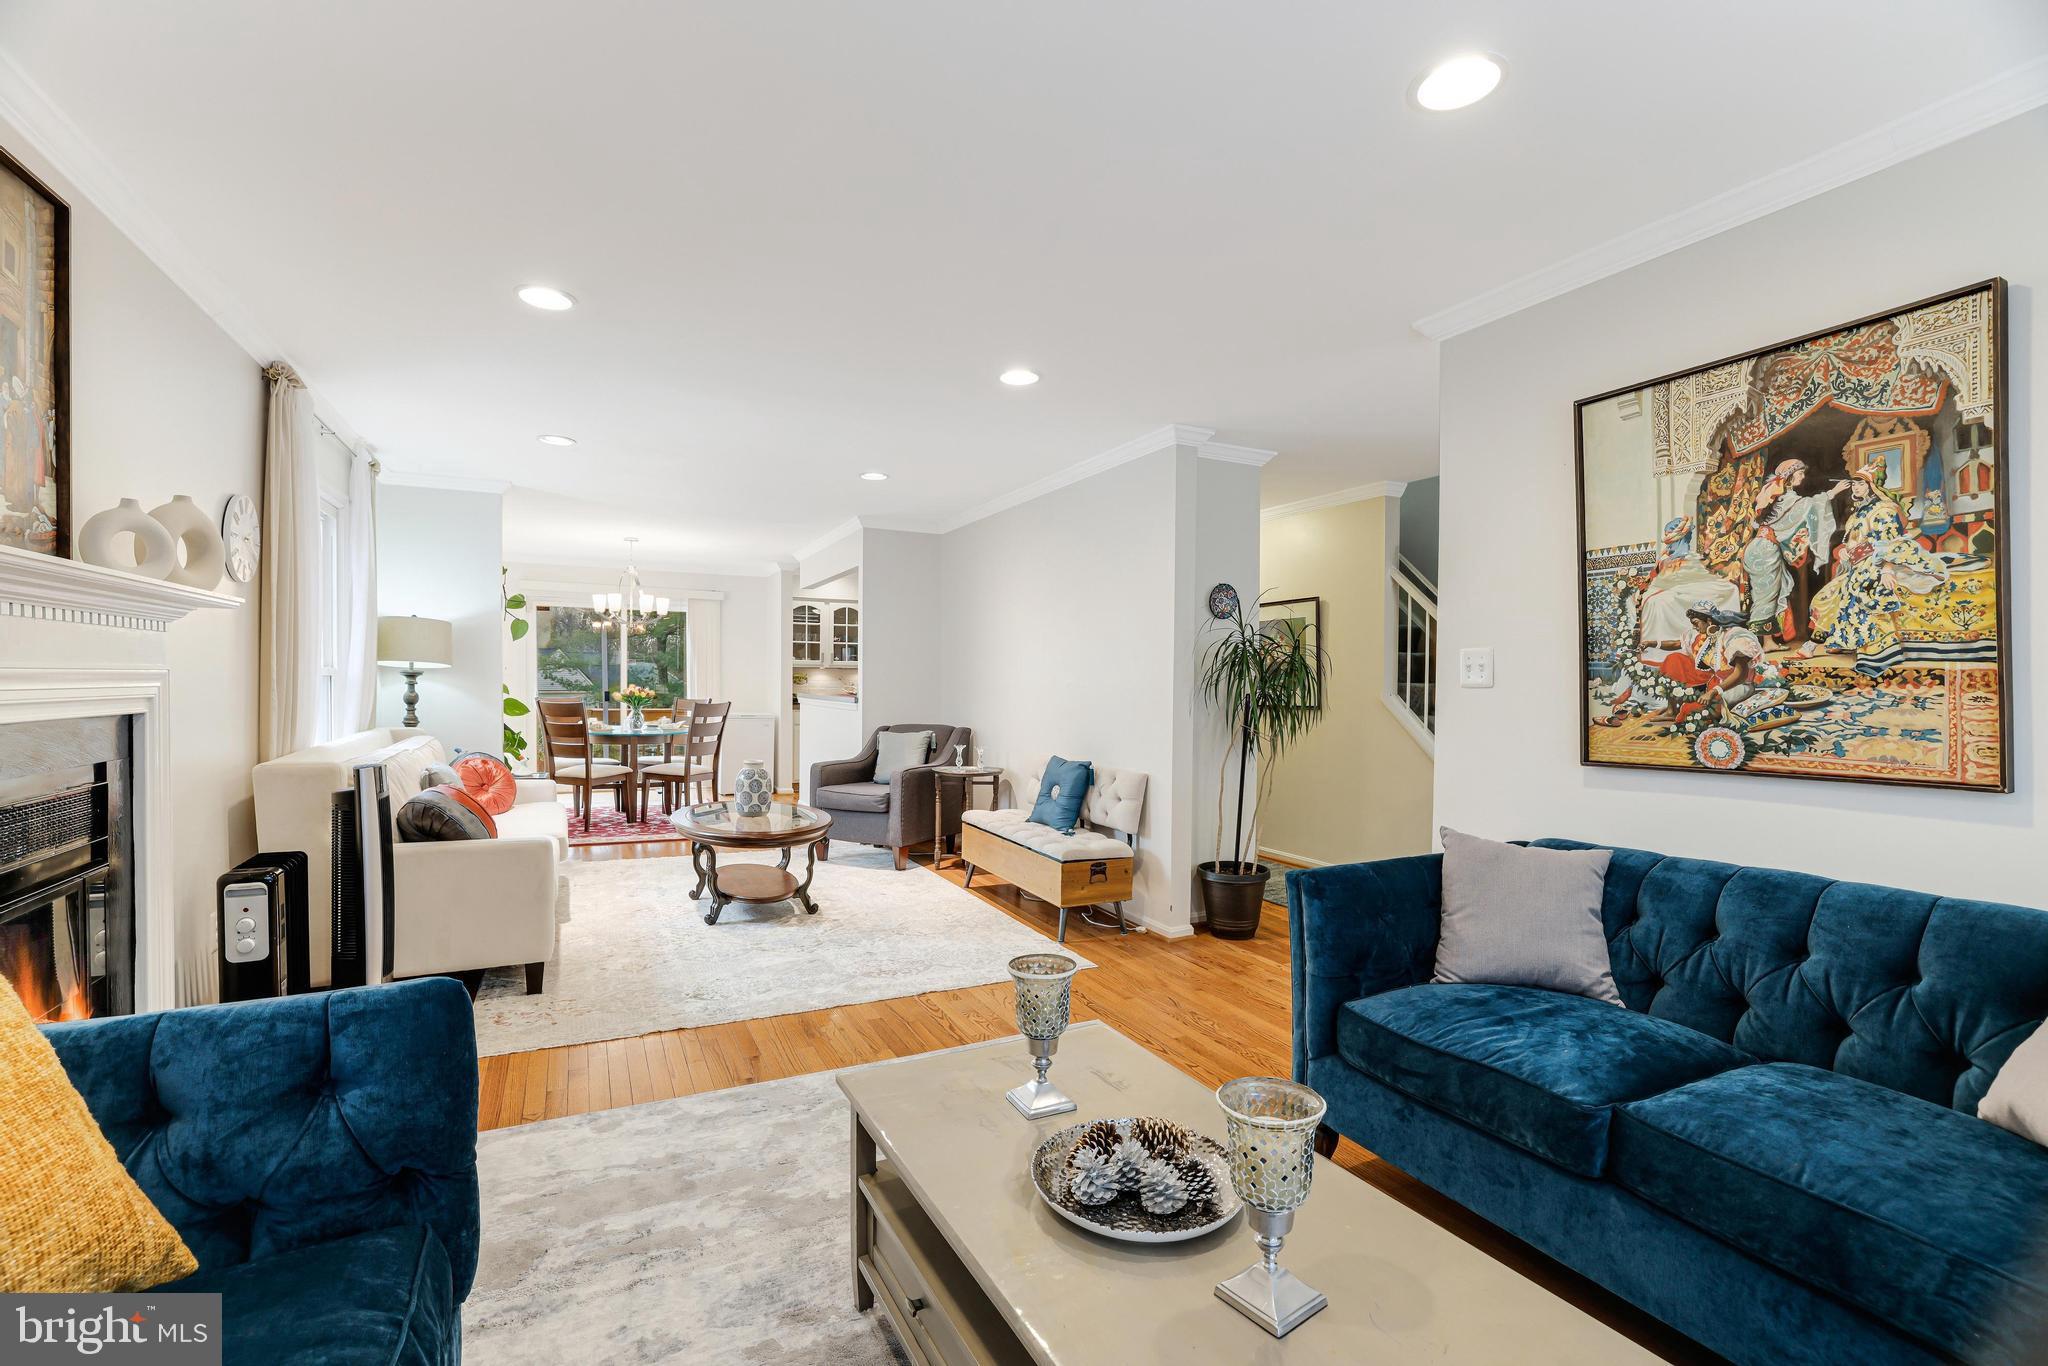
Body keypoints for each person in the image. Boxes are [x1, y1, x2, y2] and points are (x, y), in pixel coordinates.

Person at [1797, 462, 1949, 669]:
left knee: (1846, 594)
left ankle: (1811, 646)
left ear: (1872, 486)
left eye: (1861, 484)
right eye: (1854, 485)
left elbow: (1891, 543)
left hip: (1874, 564)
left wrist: (1887, 569)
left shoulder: (1882, 510)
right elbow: (1852, 540)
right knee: (1824, 598)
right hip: (1857, 565)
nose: (1856, 488)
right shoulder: (1858, 513)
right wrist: (1844, 550)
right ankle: (1821, 644)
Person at [1740, 458, 1846, 642]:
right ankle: (1764, 643)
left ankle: (1768, 641)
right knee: (1767, 596)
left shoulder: (1774, 497)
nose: (1803, 477)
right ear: (1789, 477)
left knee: (1768, 593)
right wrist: (1833, 493)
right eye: (1800, 473)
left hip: (1759, 548)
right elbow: (1811, 506)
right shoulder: (1788, 499)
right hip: (1765, 549)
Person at [1643, 600, 1783, 728]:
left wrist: (1713, 691)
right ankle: (1671, 710)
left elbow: (1741, 675)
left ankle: (1689, 710)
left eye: (1696, 623)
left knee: (1691, 712)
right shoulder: (1701, 636)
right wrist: (1651, 643)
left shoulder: (1733, 636)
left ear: (1709, 621)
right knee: (1673, 659)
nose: (1694, 627)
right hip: (1713, 681)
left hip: (1737, 685)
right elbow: (1676, 644)